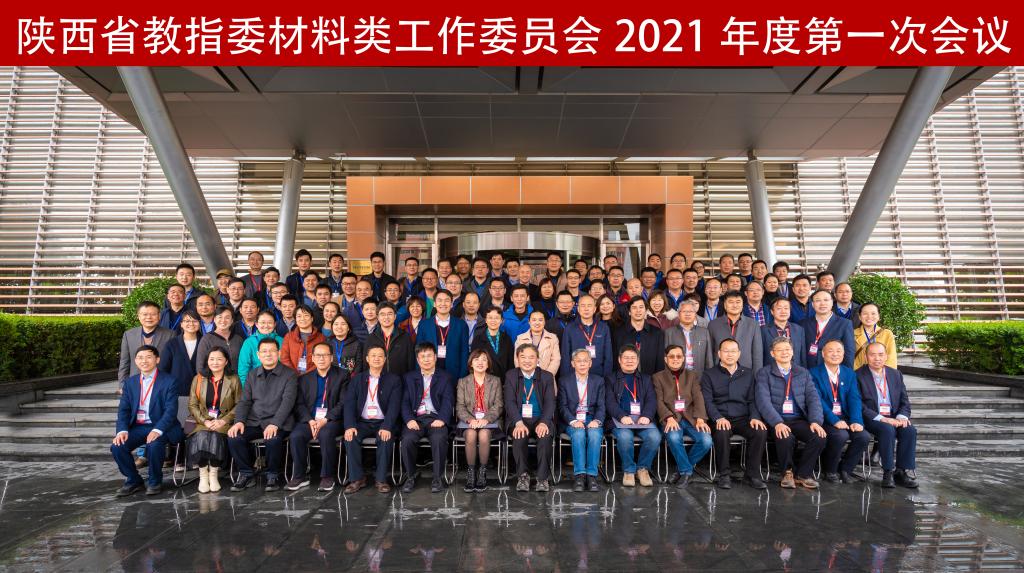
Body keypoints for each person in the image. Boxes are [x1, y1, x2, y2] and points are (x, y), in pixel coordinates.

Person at [111, 345, 184, 497]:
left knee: (154, 444)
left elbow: (170, 411)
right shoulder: (130, 383)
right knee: (118, 446)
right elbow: (123, 410)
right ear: (135, 361)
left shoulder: (169, 381)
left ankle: (155, 481)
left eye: (148, 357)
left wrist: (157, 430)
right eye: (140, 358)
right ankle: (134, 480)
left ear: (157, 359)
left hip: (163, 426)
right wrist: (122, 430)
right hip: (139, 426)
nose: (144, 361)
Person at [755, 337, 827, 489]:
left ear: (793, 352)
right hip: (776, 419)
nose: (784, 352)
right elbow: (763, 401)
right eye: (780, 350)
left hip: (798, 419)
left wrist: (815, 421)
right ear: (772, 353)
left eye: (787, 349)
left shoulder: (803, 373)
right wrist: (777, 422)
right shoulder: (764, 373)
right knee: (785, 436)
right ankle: (787, 472)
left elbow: (813, 399)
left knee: (819, 436)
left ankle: (803, 474)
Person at [227, 338, 297, 492]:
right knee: (234, 436)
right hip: (255, 421)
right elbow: (245, 401)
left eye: (272, 351)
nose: (268, 354)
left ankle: (273, 475)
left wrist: (275, 423)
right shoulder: (252, 375)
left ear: (279, 353)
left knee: (273, 439)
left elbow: (288, 403)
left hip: (278, 422)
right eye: (264, 351)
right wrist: (239, 421)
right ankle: (246, 473)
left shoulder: (289, 375)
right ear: (258, 355)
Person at [700, 338, 768, 489]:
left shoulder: (748, 374)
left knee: (760, 431)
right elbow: (707, 401)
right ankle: (724, 475)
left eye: (733, 351)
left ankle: (752, 475)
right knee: (722, 432)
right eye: (726, 351)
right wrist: (718, 418)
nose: (729, 354)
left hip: (743, 418)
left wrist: (755, 417)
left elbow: (752, 400)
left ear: (739, 354)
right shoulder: (709, 374)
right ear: (719, 353)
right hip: (720, 418)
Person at [856, 342, 918, 489]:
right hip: (872, 418)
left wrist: (901, 417)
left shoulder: (895, 374)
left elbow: (904, 401)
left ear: (886, 356)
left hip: (894, 416)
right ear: (866, 356)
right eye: (872, 355)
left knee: (909, 430)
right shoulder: (857, 375)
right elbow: (859, 405)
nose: (877, 358)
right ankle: (888, 472)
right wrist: (883, 419)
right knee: (887, 429)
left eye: (880, 354)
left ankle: (901, 472)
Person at [287, 342, 347, 492]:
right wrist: (310, 421)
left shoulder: (342, 376)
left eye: (325, 355)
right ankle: (299, 476)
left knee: (326, 433)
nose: (321, 358)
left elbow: (343, 402)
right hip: (310, 420)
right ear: (312, 358)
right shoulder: (304, 379)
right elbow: (299, 404)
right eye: (318, 355)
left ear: (331, 358)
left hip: (332, 420)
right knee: (296, 436)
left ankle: (327, 476)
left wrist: (326, 419)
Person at [343, 345, 403, 494]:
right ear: (367, 359)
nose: (377, 358)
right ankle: (357, 479)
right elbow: (349, 404)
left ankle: (381, 480)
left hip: (383, 422)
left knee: (385, 438)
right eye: (373, 355)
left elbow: (394, 406)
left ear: (385, 359)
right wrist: (350, 426)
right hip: (362, 422)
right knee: (350, 437)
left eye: (380, 356)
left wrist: (387, 426)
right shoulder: (357, 379)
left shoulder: (394, 380)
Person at [809, 340, 870, 484]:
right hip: (825, 418)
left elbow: (854, 398)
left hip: (845, 417)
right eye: (830, 351)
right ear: (823, 354)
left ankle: (845, 469)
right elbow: (817, 401)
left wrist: (856, 420)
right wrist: (834, 420)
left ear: (843, 354)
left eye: (838, 351)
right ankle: (830, 470)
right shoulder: (813, 373)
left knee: (863, 436)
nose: (835, 354)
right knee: (840, 435)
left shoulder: (849, 373)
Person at [653, 345, 712, 488]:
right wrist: (668, 417)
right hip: (671, 419)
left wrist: (700, 419)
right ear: (665, 359)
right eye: (671, 356)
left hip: (691, 419)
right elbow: (658, 401)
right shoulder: (657, 377)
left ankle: (682, 470)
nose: (675, 359)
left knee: (706, 441)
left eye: (679, 356)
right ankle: (686, 471)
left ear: (683, 358)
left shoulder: (692, 375)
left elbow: (698, 397)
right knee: (674, 438)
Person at [400, 344, 455, 494]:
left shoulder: (445, 377)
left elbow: (448, 400)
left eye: (429, 355)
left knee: (439, 439)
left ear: (435, 357)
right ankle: (410, 476)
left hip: (436, 418)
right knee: (407, 440)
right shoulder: (409, 378)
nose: (426, 359)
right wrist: (409, 420)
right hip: (416, 419)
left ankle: (438, 478)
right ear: (418, 360)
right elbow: (404, 402)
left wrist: (442, 419)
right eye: (422, 356)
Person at [187, 348, 241, 493]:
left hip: (223, 422)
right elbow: (192, 404)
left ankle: (213, 474)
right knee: (202, 435)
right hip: (202, 422)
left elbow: (240, 404)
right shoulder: (199, 378)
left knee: (215, 436)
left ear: (226, 362)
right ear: (207, 361)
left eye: (219, 359)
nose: (215, 362)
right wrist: (205, 421)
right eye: (211, 359)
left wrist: (223, 421)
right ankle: (203, 475)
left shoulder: (233, 379)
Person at [606, 346, 661, 488]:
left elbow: (651, 400)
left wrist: (647, 416)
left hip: (642, 419)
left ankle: (642, 469)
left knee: (654, 436)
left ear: (637, 361)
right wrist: (622, 416)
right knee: (625, 437)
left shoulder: (646, 379)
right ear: (619, 360)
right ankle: (629, 471)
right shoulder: (611, 379)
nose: (629, 361)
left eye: (633, 358)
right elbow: (609, 402)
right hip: (620, 420)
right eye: (626, 358)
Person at [505, 344, 556, 492]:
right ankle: (523, 476)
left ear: (537, 359)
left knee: (545, 436)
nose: (527, 361)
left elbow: (550, 402)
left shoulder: (546, 376)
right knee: (519, 435)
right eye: (523, 357)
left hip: (541, 418)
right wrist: (518, 422)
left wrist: (544, 422)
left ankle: (542, 478)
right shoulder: (511, 375)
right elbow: (509, 402)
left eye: (531, 357)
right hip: (519, 419)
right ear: (517, 359)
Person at [456, 349, 504, 492]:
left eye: (484, 359)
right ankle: (471, 474)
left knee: (483, 434)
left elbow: (498, 405)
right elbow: (460, 406)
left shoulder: (495, 381)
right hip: (469, 422)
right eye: (476, 359)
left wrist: (486, 419)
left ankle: (482, 473)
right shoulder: (463, 382)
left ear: (488, 364)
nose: (480, 362)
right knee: (471, 434)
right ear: (471, 363)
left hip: (490, 421)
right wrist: (470, 419)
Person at [559, 348, 606, 492]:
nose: (582, 364)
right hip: (572, 419)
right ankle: (579, 475)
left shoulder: (598, 381)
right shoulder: (564, 381)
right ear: (573, 363)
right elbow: (562, 406)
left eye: (585, 361)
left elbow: (601, 406)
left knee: (595, 434)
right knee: (578, 434)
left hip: (591, 418)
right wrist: (573, 421)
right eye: (578, 361)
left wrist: (597, 420)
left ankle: (591, 476)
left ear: (590, 363)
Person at [160, 310, 204, 426]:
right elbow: (163, 369)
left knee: (198, 426)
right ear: (181, 324)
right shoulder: (172, 344)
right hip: (177, 392)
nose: (191, 324)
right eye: (187, 321)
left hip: (202, 392)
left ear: (200, 323)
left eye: (195, 321)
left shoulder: (206, 341)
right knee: (180, 425)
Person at [119, 301, 175, 390]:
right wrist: (122, 385)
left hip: (161, 384)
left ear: (159, 316)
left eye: (153, 314)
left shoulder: (170, 335)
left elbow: (174, 363)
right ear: (138, 316)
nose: (149, 317)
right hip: (135, 384)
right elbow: (124, 362)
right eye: (145, 314)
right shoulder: (129, 335)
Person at [416, 289, 469, 380]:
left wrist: (462, 377)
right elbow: (419, 351)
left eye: (447, 300)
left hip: (454, 373)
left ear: (451, 304)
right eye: (440, 300)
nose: (443, 304)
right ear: (434, 304)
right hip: (429, 373)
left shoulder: (461, 325)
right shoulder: (424, 325)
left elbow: (464, 352)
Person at [560, 295, 614, 379]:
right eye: (583, 305)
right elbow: (565, 356)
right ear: (578, 309)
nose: (586, 309)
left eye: (589, 305)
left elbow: (608, 356)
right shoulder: (569, 328)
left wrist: (607, 378)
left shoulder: (603, 328)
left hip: (598, 376)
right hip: (575, 376)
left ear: (594, 309)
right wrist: (566, 379)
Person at [708, 291, 764, 372]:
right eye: (731, 302)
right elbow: (709, 352)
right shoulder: (713, 324)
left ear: (742, 305)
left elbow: (757, 353)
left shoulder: (753, 324)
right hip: (719, 371)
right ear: (725, 305)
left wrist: (757, 375)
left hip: (746, 372)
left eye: (738, 302)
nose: (734, 305)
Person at [801, 289, 856, 370]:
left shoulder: (845, 324)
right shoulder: (803, 324)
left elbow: (849, 352)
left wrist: (847, 373)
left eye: (826, 300)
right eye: (818, 300)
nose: (822, 303)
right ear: (812, 304)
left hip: (834, 371)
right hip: (808, 371)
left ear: (832, 302)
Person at [614, 296, 665, 376]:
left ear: (646, 311)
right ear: (629, 312)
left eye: (641, 307)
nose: (638, 310)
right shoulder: (618, 333)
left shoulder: (657, 333)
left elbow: (660, 361)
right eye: (634, 307)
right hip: (624, 378)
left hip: (650, 378)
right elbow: (615, 359)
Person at [663, 299, 714, 378]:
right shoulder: (669, 332)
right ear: (679, 314)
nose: (687, 314)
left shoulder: (704, 332)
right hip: (676, 376)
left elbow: (709, 359)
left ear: (695, 314)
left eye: (690, 311)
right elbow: (665, 357)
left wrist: (709, 377)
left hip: (699, 376)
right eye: (684, 311)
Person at [195, 305, 245, 380]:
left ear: (232, 321)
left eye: (227, 317)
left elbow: (244, 364)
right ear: (214, 319)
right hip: (214, 382)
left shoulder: (238, 339)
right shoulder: (207, 339)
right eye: (220, 317)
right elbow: (200, 366)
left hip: (236, 382)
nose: (223, 320)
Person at [366, 302, 416, 376]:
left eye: (389, 314)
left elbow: (411, 363)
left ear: (395, 316)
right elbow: (366, 364)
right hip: (377, 380)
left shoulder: (405, 337)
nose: (386, 317)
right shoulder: (371, 338)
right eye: (382, 314)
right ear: (378, 317)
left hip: (401, 380)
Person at [237, 310, 282, 387]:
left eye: (270, 322)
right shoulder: (249, 342)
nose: (266, 325)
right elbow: (243, 370)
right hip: (255, 385)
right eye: (263, 322)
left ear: (275, 324)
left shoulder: (282, 341)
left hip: (279, 384)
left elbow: (286, 365)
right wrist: (247, 389)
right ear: (257, 324)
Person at [761, 298, 807, 369]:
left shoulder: (799, 329)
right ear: (772, 312)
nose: (783, 311)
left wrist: (803, 371)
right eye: (779, 308)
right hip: (771, 371)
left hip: (795, 371)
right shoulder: (763, 330)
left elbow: (802, 355)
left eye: (786, 308)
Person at [280, 305, 327, 375]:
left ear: (312, 318)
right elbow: (284, 358)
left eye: (306, 315)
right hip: (291, 376)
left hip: (313, 376)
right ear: (295, 320)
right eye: (299, 316)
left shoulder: (321, 338)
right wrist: (293, 374)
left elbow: (322, 359)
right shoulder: (289, 337)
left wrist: (307, 375)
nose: (302, 318)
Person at [514, 310, 561, 377]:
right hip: (525, 378)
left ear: (544, 322)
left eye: (540, 320)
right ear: (529, 322)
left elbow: (556, 359)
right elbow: (517, 359)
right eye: (534, 320)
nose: (537, 323)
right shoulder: (520, 338)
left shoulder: (553, 338)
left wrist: (546, 377)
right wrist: (526, 376)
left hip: (546, 378)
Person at [471, 307, 514, 378]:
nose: (493, 321)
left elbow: (511, 363)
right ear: (486, 320)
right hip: (485, 379)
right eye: (490, 318)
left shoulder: (507, 338)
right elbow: (474, 362)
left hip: (504, 379)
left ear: (501, 320)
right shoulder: (478, 339)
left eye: (497, 318)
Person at [853, 303, 898, 369]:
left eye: (873, 313)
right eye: (865, 313)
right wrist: (858, 373)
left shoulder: (887, 334)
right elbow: (850, 359)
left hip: (882, 373)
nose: (869, 316)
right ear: (859, 317)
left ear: (878, 316)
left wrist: (884, 373)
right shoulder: (852, 334)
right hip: (859, 373)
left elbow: (891, 358)